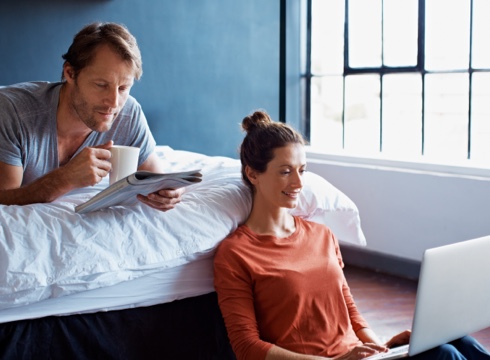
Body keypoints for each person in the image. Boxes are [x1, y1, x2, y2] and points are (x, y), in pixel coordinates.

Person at [213, 110, 490, 360]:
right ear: (252, 174)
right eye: (285, 172)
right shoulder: (235, 253)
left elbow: (348, 308)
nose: (298, 183)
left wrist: (380, 347)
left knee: (452, 339)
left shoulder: (321, 235)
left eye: (302, 170)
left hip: (359, 357)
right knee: (444, 356)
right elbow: (247, 347)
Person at [0, 22, 183, 211]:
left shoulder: (128, 114)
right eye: (101, 85)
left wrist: (169, 194)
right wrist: (64, 179)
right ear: (70, 73)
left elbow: (157, 178)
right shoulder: (13, 112)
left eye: (123, 88)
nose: (114, 103)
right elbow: (4, 198)